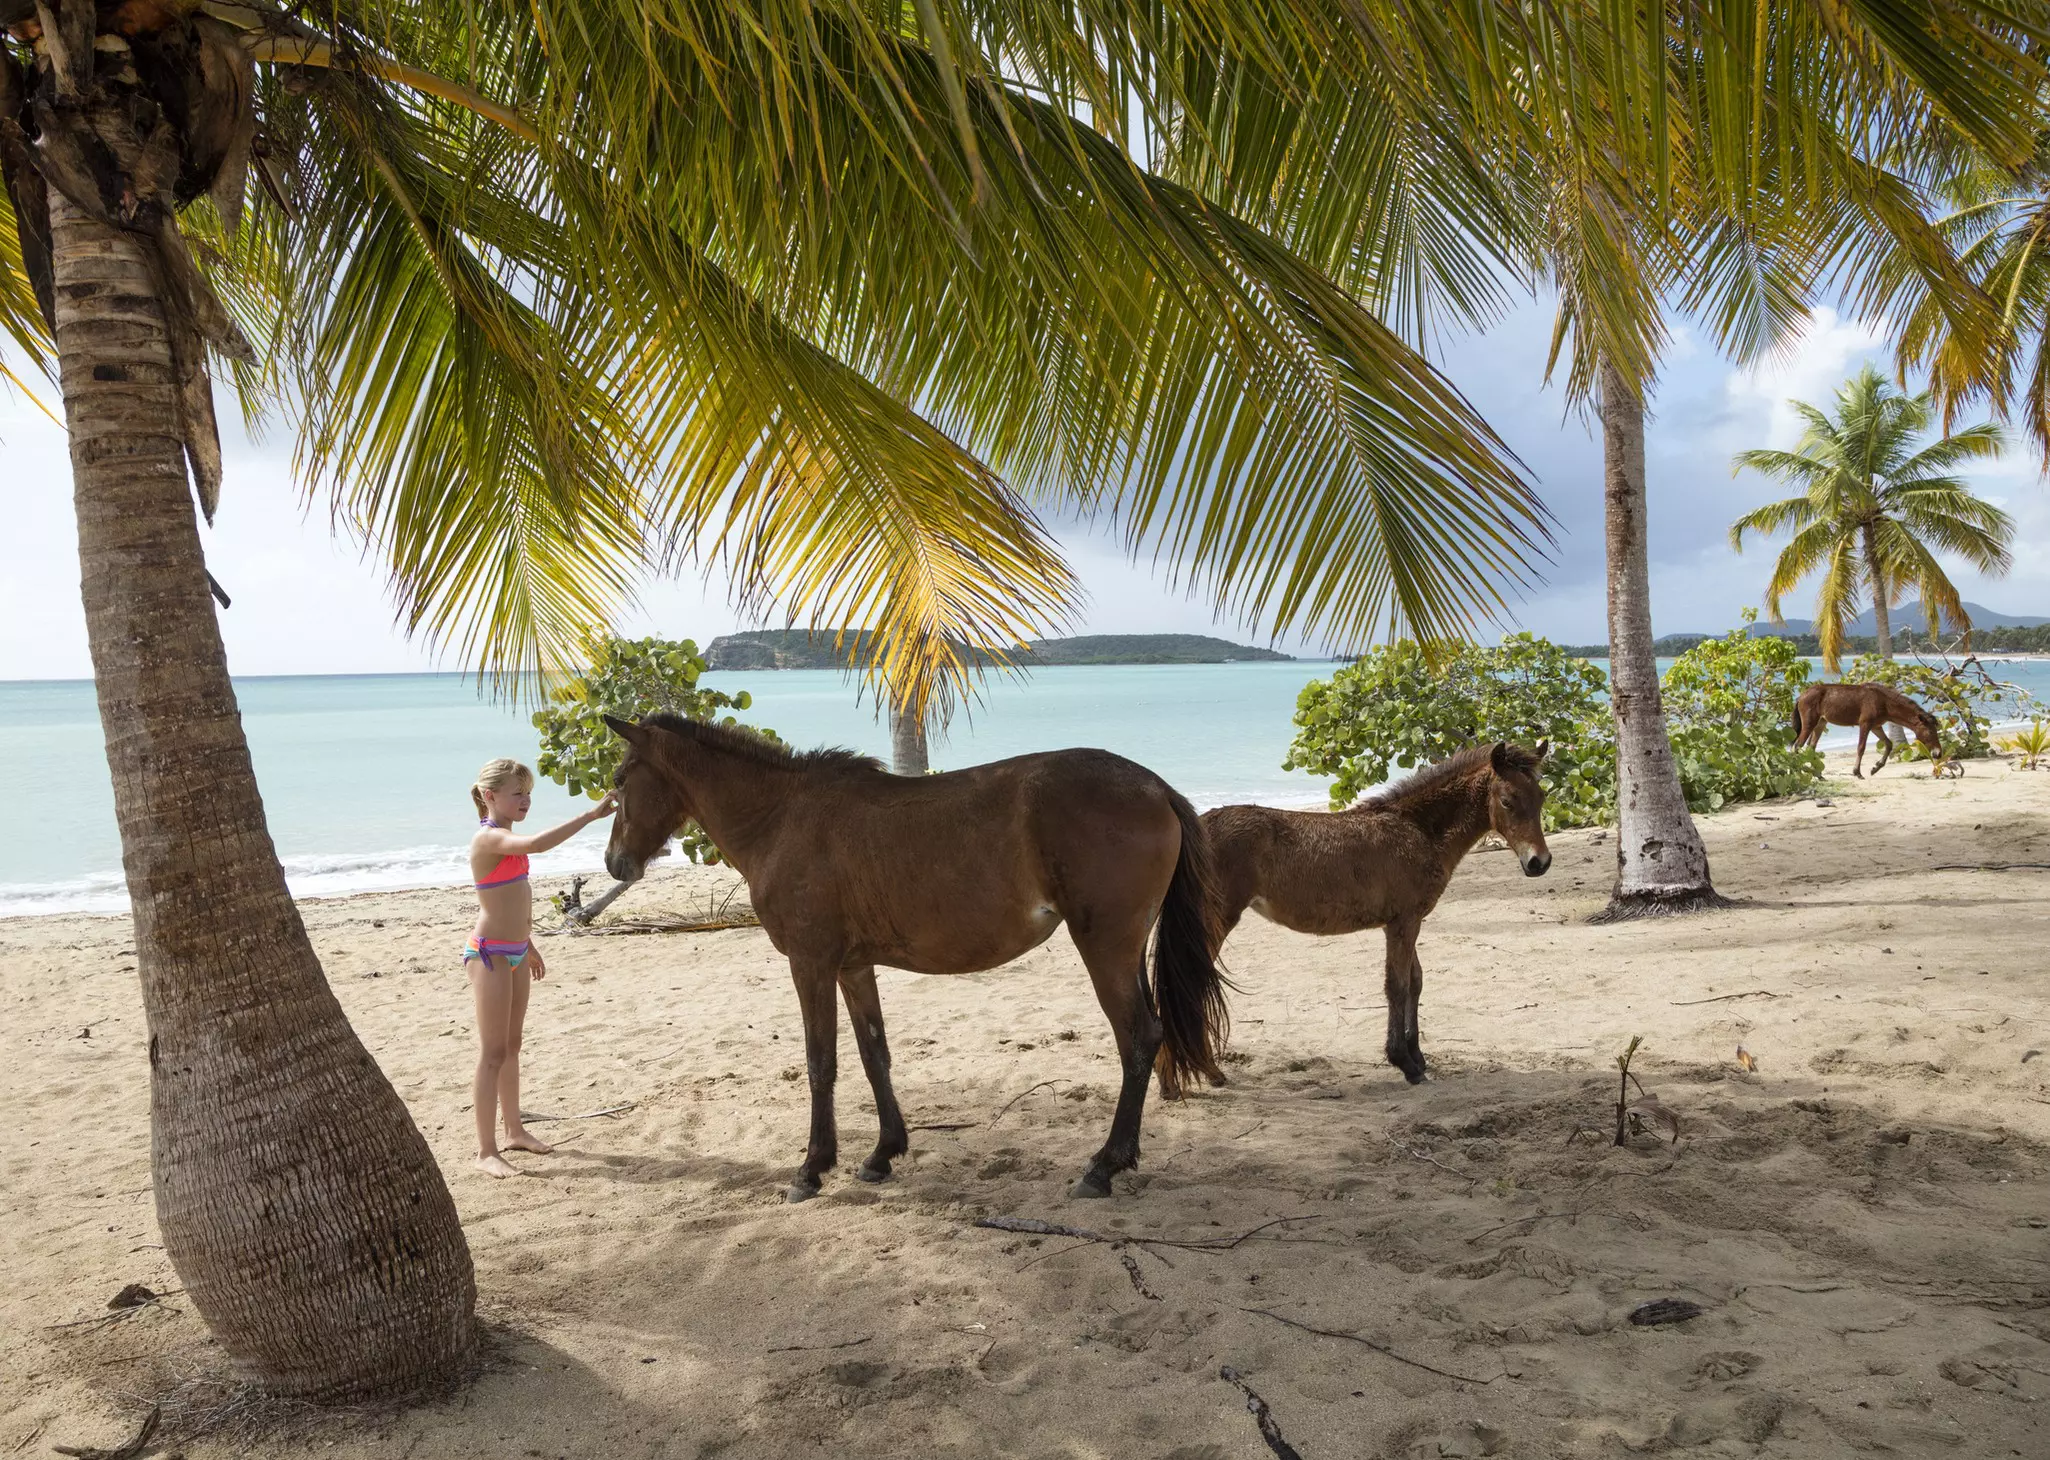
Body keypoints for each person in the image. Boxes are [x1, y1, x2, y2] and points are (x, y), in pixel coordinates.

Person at [465, 758, 616, 1177]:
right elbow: (537, 846)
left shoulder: (506, 836)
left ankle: (514, 1131)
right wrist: (590, 815)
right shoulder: (488, 840)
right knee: (492, 1053)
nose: (525, 800)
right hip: (490, 953)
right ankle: (485, 1151)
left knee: (513, 1046)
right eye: (517, 793)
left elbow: (509, 900)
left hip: (515, 950)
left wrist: (528, 945)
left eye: (528, 793)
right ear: (490, 796)